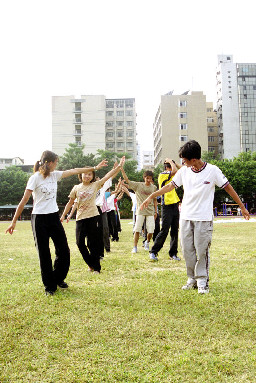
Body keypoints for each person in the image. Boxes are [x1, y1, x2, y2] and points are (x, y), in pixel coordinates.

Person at [140, 140, 250, 294]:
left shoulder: (213, 171)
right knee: (187, 250)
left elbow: (228, 188)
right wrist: (152, 195)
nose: (182, 162)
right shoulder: (184, 171)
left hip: (203, 218)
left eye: (184, 160)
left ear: (194, 159)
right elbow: (170, 186)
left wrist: (243, 207)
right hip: (185, 216)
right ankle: (191, 278)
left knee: (202, 250)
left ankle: (202, 281)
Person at [5, 150, 108, 296]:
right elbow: (24, 200)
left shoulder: (55, 175)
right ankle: (49, 286)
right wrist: (13, 221)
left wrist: (95, 168)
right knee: (44, 253)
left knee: (64, 250)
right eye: (56, 162)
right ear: (50, 162)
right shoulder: (35, 178)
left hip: (53, 217)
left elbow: (74, 171)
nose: (57, 165)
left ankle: (58, 278)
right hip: (39, 219)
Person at [60, 156, 125, 273]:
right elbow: (70, 202)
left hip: (93, 216)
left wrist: (119, 167)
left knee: (92, 243)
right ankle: (91, 263)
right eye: (85, 174)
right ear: (81, 175)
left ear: (93, 176)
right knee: (79, 243)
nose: (87, 176)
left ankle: (97, 268)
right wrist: (64, 215)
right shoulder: (76, 188)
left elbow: (107, 176)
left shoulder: (95, 185)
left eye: (90, 174)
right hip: (80, 218)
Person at [149, 159, 181, 262]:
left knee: (175, 230)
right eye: (171, 166)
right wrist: (172, 163)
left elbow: (182, 170)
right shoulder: (162, 175)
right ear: (168, 168)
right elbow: (176, 171)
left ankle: (173, 253)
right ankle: (153, 251)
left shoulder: (173, 176)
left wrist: (174, 162)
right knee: (165, 230)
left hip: (175, 204)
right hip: (166, 204)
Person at [121, 168, 157, 253]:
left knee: (151, 230)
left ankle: (147, 243)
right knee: (137, 229)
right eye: (147, 178)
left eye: (150, 178)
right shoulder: (138, 185)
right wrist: (122, 169)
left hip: (150, 211)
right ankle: (135, 247)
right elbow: (127, 180)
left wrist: (156, 211)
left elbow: (155, 200)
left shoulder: (154, 187)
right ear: (144, 177)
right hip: (140, 211)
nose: (148, 180)